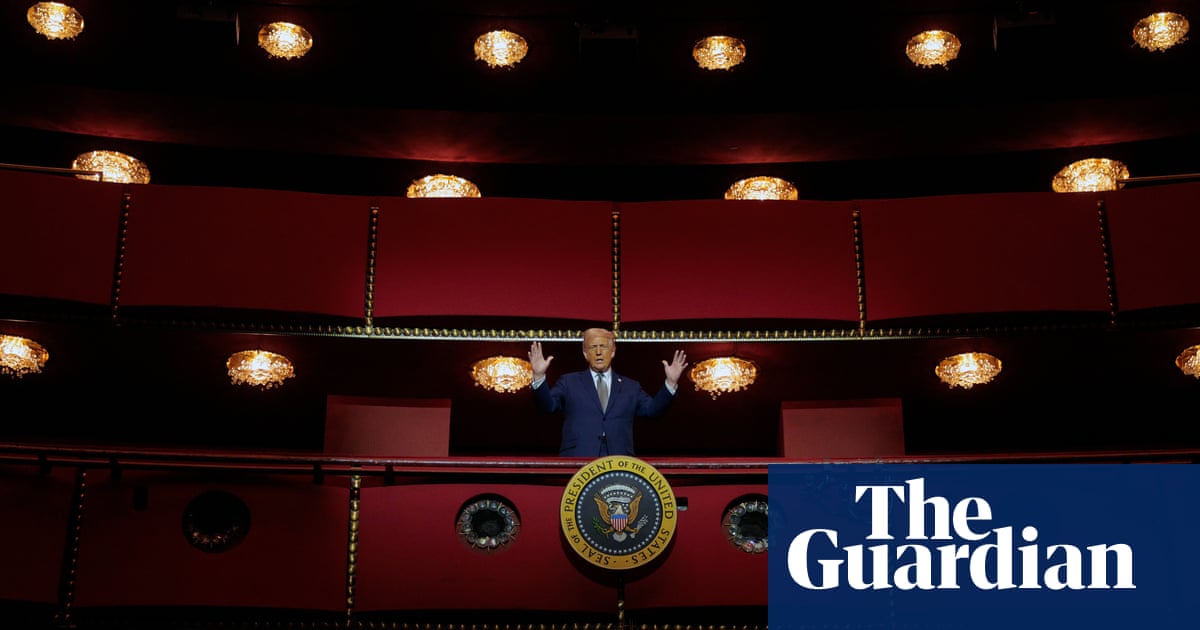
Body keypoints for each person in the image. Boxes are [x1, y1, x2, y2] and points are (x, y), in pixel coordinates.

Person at [529, 328, 688, 457]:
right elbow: (548, 407)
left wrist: (671, 383)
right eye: (593, 347)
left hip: (619, 462)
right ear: (585, 353)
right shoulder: (569, 382)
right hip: (579, 460)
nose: (598, 352)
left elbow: (653, 411)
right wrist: (539, 376)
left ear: (612, 352)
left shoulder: (630, 387)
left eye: (603, 347)